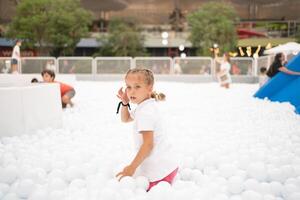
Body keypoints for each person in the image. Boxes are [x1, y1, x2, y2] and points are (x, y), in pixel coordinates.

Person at [115, 68, 178, 192]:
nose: (131, 91)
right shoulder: (146, 105)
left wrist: (132, 168)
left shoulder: (145, 112)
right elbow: (125, 119)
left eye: (137, 87)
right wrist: (124, 103)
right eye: (128, 87)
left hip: (160, 174)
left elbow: (148, 145)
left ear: (150, 88)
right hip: (169, 166)